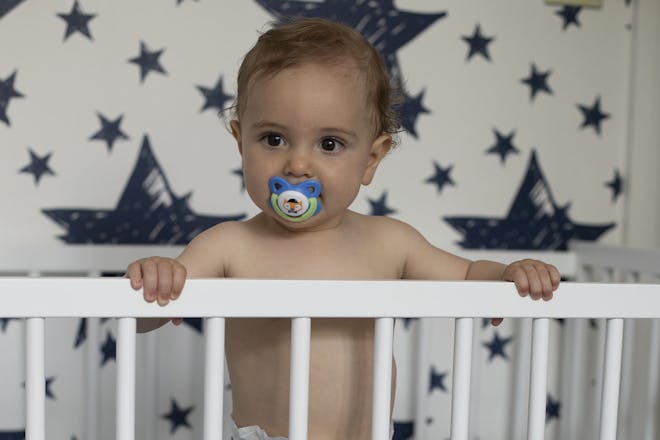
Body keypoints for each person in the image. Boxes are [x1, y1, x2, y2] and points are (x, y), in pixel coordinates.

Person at [126, 17, 560, 440]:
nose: (297, 164)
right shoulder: (228, 247)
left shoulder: (390, 243)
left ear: (371, 159)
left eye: (329, 144)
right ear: (241, 142)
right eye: (273, 139)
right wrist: (158, 278)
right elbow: (143, 319)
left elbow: (466, 277)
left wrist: (507, 276)